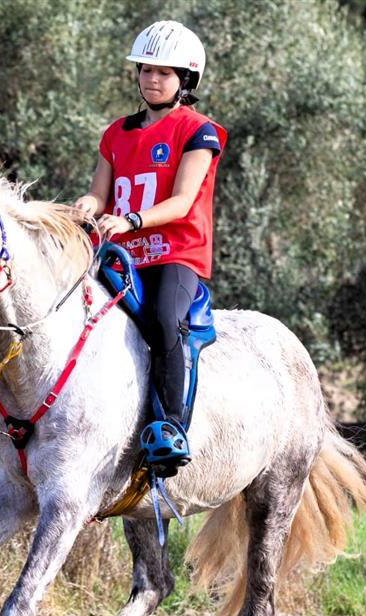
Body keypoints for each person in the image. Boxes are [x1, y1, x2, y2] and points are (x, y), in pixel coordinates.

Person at [74, 20, 227, 476]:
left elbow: (183, 202)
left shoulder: (199, 131)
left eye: (164, 72)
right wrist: (82, 208)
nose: (152, 80)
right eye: (146, 70)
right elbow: (98, 195)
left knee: (164, 320)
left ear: (186, 80)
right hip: (122, 256)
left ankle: (172, 427)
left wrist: (132, 220)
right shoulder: (115, 133)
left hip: (176, 254)